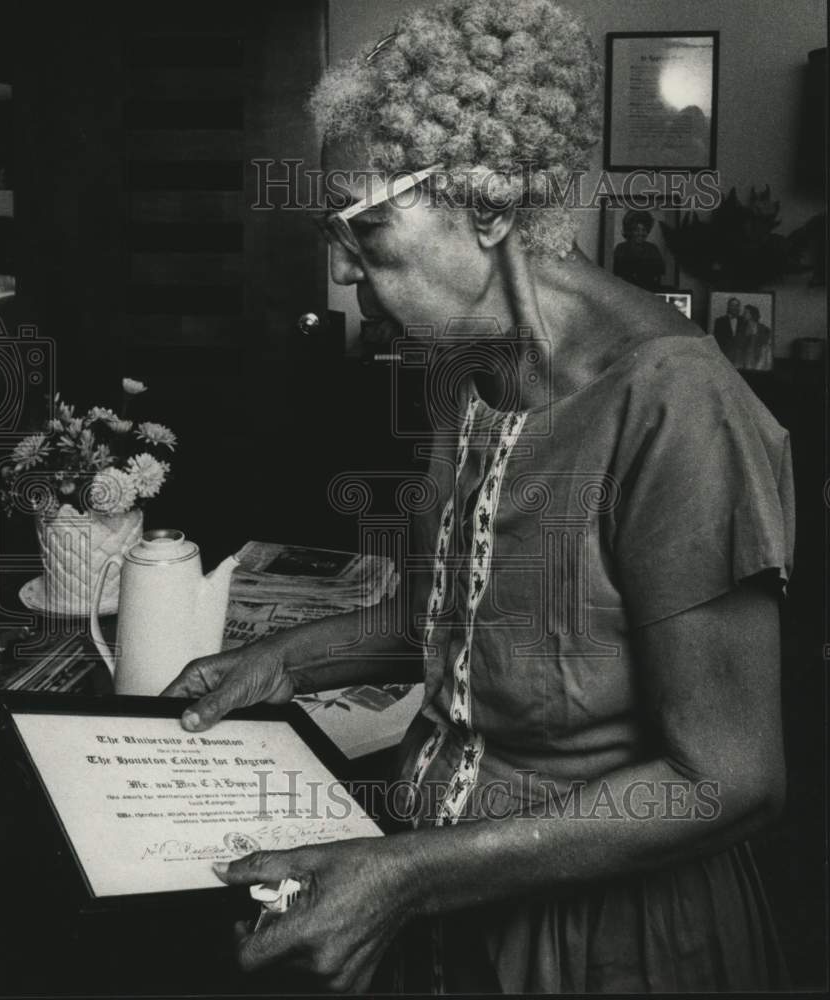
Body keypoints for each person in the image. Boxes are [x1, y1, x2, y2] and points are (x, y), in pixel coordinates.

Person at [164, 0, 794, 992]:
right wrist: (285, 656)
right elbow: (468, 620)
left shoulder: (675, 408)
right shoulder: (469, 370)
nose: (344, 264)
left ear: (489, 207)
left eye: (364, 227)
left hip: (606, 945)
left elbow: (728, 777)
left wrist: (409, 875)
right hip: (454, 913)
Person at [612, 209, 666, 290]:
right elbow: (615, 276)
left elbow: (660, 275)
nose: (641, 233)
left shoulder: (653, 249)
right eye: (636, 230)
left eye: (644, 230)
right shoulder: (621, 249)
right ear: (630, 231)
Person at [712, 296, 747, 366]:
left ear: (739, 308)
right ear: (728, 307)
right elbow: (716, 340)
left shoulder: (744, 321)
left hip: (740, 358)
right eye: (732, 305)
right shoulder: (719, 321)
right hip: (725, 357)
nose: (734, 308)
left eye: (737, 305)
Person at [742, 303, 773, 370]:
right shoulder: (742, 328)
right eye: (743, 312)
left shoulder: (763, 328)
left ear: (752, 314)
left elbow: (766, 345)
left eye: (746, 312)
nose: (743, 314)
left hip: (759, 358)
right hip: (746, 359)